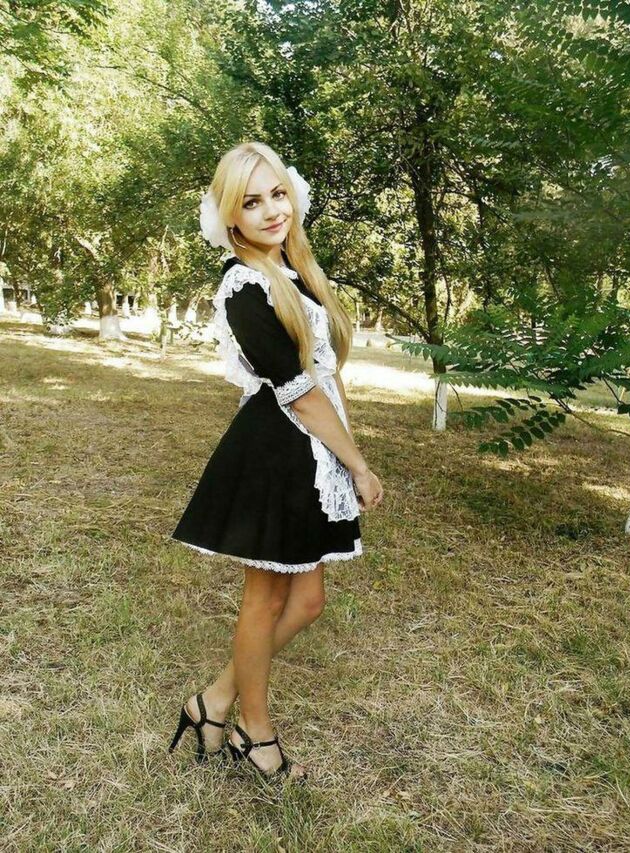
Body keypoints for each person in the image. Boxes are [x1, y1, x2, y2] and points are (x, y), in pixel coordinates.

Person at [168, 141, 383, 781]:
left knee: (307, 600)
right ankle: (253, 731)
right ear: (230, 216)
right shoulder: (245, 284)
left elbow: (327, 378)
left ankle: (214, 700)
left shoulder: (293, 272)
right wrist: (358, 463)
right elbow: (297, 390)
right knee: (264, 600)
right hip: (276, 453)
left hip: (310, 449)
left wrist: (343, 450)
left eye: (277, 194)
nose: (270, 210)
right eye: (251, 201)